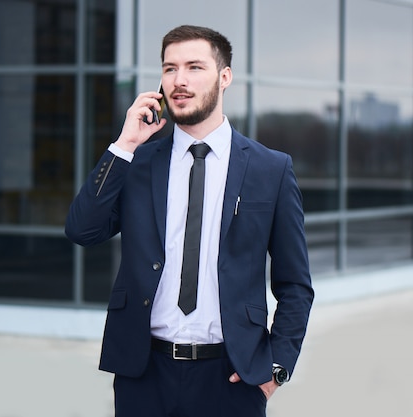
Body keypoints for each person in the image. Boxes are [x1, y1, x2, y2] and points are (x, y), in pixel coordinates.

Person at [65, 25, 313, 417]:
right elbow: (82, 229)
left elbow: (296, 284)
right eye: (169, 68)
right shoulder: (137, 162)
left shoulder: (271, 169)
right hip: (143, 375)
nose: (179, 81)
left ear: (224, 77)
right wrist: (125, 144)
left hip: (232, 378)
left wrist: (276, 369)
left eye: (194, 67)